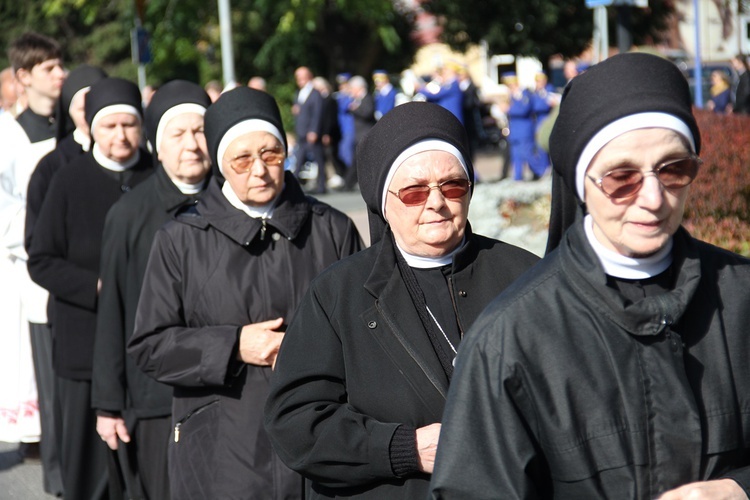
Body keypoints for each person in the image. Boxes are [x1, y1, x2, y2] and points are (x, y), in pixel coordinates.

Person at [429, 52, 750, 499]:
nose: (653, 199)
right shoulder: (510, 340)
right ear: (581, 183)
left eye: (674, 169)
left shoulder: (742, 295)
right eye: (622, 177)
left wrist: (740, 489)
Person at [264, 101, 540, 499]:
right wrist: (403, 449)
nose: (436, 203)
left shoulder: (524, 276)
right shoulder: (338, 294)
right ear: (383, 202)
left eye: (453, 185)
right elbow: (296, 426)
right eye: (413, 192)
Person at [127, 87, 363, 499]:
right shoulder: (181, 240)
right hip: (221, 452)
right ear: (221, 163)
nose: (259, 170)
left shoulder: (332, 229)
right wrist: (235, 345)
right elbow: (151, 346)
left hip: (320, 447)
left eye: (271, 154)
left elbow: (366, 332)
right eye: (242, 158)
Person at [28, 77, 153, 500]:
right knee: (87, 470)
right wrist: (99, 287)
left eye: (129, 125)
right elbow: (41, 259)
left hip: (145, 348)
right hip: (83, 345)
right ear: (91, 128)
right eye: (110, 126)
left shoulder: (155, 178)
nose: (120, 136)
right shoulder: (67, 180)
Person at [91, 80, 212, 500]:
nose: (192, 145)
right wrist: (108, 402)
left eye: (199, 131)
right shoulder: (128, 214)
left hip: (226, 389)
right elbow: (113, 310)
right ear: (157, 146)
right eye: (177, 134)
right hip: (155, 397)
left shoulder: (232, 204)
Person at [24, 63, 106, 497]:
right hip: (77, 317)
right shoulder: (53, 167)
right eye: (82, 103)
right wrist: (93, 286)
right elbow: (40, 252)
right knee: (79, 425)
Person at [0, 32, 65, 474]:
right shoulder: (9, 136)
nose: (59, 74)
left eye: (61, 66)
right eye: (49, 68)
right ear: (24, 76)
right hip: (27, 265)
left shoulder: (70, 125)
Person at [292, 66, 327, 194]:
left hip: (311, 133)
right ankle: (294, 184)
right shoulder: (299, 93)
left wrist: (314, 130)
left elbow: (317, 113)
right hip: (301, 132)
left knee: (319, 159)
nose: (300, 80)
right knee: (299, 159)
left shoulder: (315, 93)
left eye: (302, 76)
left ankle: (321, 185)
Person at [343, 75, 375, 192]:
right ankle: (348, 183)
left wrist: (355, 109)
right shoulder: (358, 100)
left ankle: (348, 183)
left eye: (353, 88)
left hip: (365, 134)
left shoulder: (367, 98)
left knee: (360, 160)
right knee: (357, 160)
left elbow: (367, 113)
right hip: (359, 135)